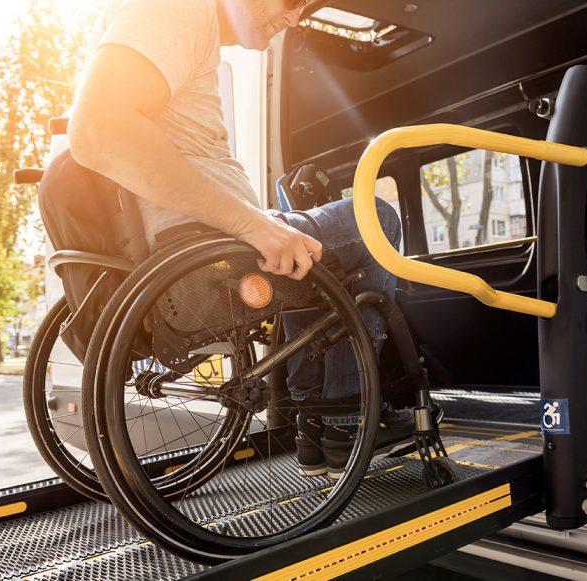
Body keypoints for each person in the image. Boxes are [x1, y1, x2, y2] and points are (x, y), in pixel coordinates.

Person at [68, 0, 412, 479]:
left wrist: (262, 224)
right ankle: (345, 423)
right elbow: (98, 127)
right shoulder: (177, 10)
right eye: (292, 2)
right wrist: (254, 226)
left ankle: (318, 428)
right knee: (376, 218)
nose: (295, 18)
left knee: (307, 250)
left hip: (208, 239)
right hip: (209, 248)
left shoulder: (191, 29)